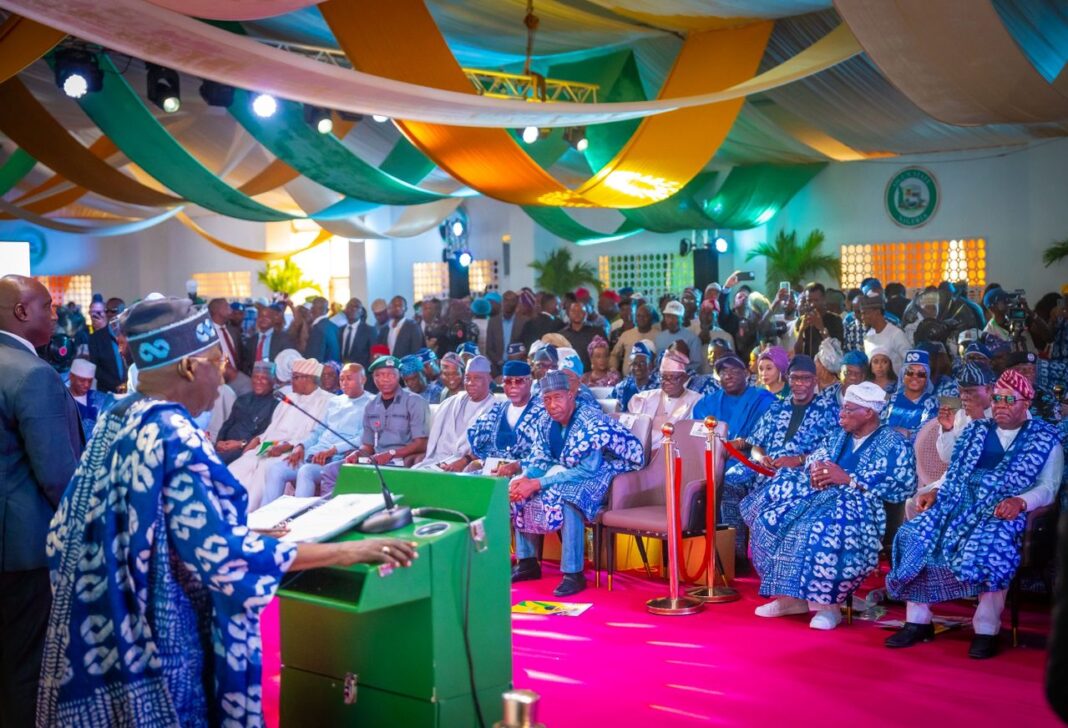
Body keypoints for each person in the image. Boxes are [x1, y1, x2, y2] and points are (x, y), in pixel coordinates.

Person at [37, 297, 416, 726]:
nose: (222, 380)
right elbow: (225, 560)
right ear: (189, 367)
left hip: (99, 649)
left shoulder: (117, 418)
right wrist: (346, 552)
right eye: (217, 364)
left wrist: (233, 532)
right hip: (162, 655)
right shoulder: (174, 434)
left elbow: (111, 529)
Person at [886, 369, 1063, 658]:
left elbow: (1049, 487)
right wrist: (935, 490)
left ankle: (986, 628)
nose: (1001, 405)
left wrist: (1020, 501)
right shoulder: (975, 430)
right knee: (913, 534)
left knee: (991, 547)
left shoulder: (1045, 439)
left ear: (1026, 403)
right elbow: (954, 472)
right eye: (998, 399)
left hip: (1001, 509)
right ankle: (917, 622)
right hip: (957, 503)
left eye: (1009, 400)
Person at [743, 381, 916, 630]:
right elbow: (817, 456)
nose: (841, 414)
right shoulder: (839, 435)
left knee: (819, 529)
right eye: (842, 408)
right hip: (819, 496)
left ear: (868, 412)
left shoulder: (894, 442)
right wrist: (816, 467)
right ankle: (790, 598)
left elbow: (903, 483)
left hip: (860, 507)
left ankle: (828, 606)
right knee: (768, 519)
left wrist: (849, 479)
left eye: (848, 409)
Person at [0, 275, 84, 726]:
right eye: (47, 307)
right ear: (21, 311)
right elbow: (58, 475)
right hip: (22, 551)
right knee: (24, 668)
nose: (55, 316)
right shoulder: (33, 374)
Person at [509, 370, 644, 597]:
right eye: (547, 399)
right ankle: (527, 562)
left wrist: (538, 483)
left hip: (614, 470)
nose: (552, 405)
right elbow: (540, 459)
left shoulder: (590, 420)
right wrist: (525, 479)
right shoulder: (544, 421)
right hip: (573, 468)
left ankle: (574, 574)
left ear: (571, 395)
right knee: (519, 490)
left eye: (558, 397)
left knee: (571, 497)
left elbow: (587, 470)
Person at [722, 355, 840, 564]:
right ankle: (736, 555)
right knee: (730, 480)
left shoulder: (829, 411)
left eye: (805, 378)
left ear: (814, 380)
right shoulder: (776, 407)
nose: (799, 383)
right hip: (765, 466)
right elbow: (755, 443)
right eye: (794, 378)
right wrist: (761, 457)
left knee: (776, 490)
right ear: (788, 379)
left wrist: (798, 459)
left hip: (800, 472)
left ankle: (774, 559)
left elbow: (832, 450)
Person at [228, 358, 334, 509]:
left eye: (295, 377)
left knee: (264, 470)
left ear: (308, 379)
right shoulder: (289, 398)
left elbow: (316, 435)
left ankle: (252, 515)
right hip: (269, 446)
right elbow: (273, 428)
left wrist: (286, 447)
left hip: (293, 451)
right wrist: (256, 440)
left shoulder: (327, 401)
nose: (291, 381)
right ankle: (227, 511)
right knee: (239, 466)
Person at [262, 363, 372, 504]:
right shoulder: (335, 401)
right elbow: (318, 431)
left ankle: (299, 516)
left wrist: (332, 450)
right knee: (276, 469)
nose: (344, 383)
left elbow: (363, 439)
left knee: (306, 471)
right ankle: (265, 517)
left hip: (335, 459)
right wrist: (301, 446)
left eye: (349, 378)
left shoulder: (372, 403)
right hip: (313, 455)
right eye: (341, 379)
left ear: (363, 379)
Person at [904, 361, 994, 520]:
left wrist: (978, 420)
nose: (964, 397)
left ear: (989, 389)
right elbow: (948, 458)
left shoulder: (1003, 413)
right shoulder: (961, 415)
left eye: (970, 391)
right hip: (954, 479)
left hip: (985, 485)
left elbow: (987, 459)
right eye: (961, 391)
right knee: (912, 503)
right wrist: (947, 430)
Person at [414, 355, 496, 471]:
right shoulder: (451, 403)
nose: (470, 383)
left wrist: (465, 461)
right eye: (467, 378)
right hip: (440, 461)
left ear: (489, 378)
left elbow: (491, 448)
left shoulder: (496, 409)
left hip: (469, 465)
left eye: (477, 378)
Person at [467, 360, 543, 475]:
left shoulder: (543, 411)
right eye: (508, 381)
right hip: (491, 472)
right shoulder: (496, 410)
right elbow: (478, 444)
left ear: (530, 382)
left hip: (526, 474)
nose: (513, 386)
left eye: (519, 381)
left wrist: (518, 466)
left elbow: (545, 453)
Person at [626, 349, 702, 450]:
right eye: (663, 377)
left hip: (675, 452)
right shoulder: (644, 399)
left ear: (684, 378)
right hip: (640, 451)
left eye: (672, 377)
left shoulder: (696, 400)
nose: (666, 382)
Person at [692, 352, 775, 441]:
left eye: (734, 370)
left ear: (746, 373)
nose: (728, 376)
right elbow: (698, 439)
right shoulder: (705, 404)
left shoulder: (762, 398)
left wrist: (743, 443)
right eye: (723, 372)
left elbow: (772, 432)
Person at [214, 361, 280, 465]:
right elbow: (228, 424)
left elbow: (265, 437)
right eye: (255, 377)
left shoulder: (276, 406)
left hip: (247, 451)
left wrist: (240, 444)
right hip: (225, 448)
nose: (258, 381)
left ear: (273, 381)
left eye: (263, 378)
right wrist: (220, 442)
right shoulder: (242, 399)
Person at [882, 349, 938, 440]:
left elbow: (927, 436)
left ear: (927, 379)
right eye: (909, 372)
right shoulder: (891, 399)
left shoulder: (932, 402)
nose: (914, 377)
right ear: (903, 376)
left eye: (921, 374)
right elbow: (880, 427)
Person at [861, 292, 911, 376]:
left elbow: (910, 363)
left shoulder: (896, 334)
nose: (862, 317)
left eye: (865, 313)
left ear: (877, 312)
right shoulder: (867, 336)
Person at [87, 296, 129, 393]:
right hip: (107, 392)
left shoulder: (131, 335)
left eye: (113, 311)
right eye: (106, 311)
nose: (109, 314)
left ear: (123, 312)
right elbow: (95, 368)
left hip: (130, 391)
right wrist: (116, 385)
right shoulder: (96, 338)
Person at [242, 302, 295, 374]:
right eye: (260, 316)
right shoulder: (251, 341)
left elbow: (290, 364)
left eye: (267, 317)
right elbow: (246, 364)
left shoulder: (284, 339)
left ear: (274, 319)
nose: (263, 319)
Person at [610, 302, 659, 376]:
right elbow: (614, 355)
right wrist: (613, 370)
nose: (641, 318)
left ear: (651, 318)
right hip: (628, 378)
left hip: (651, 379)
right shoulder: (626, 334)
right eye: (638, 316)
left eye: (645, 316)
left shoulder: (659, 335)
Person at [486, 290, 528, 375]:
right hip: (497, 368)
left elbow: (526, 345)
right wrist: (498, 361)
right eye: (506, 300)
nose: (508, 304)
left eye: (512, 301)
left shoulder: (524, 321)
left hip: (518, 366)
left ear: (516, 303)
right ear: (502, 302)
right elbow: (489, 348)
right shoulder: (493, 322)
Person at [67, 357, 110, 437]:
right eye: (82, 380)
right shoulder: (63, 400)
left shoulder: (100, 397)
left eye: (90, 381)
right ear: (71, 377)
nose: (86, 385)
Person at [560, 300, 603, 372]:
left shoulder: (597, 332)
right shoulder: (561, 335)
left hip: (593, 374)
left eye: (581, 311)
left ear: (586, 314)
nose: (577, 314)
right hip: (570, 374)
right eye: (574, 311)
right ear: (568, 314)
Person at [339, 297, 375, 371]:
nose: (353, 309)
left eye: (356, 307)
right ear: (345, 310)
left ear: (361, 312)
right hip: (341, 373)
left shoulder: (370, 330)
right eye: (350, 306)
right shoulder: (339, 330)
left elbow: (374, 356)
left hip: (361, 374)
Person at [304, 296, 342, 364]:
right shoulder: (335, 327)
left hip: (321, 368)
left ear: (312, 310)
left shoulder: (317, 329)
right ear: (327, 310)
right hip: (334, 368)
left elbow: (313, 358)